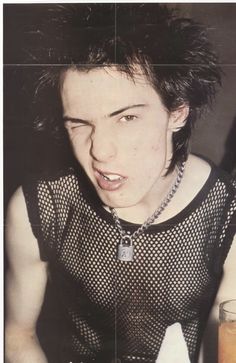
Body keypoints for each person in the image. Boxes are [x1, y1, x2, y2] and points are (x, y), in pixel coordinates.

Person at [5, 4, 236, 363]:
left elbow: (225, 343)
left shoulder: (228, 212)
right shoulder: (37, 208)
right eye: (79, 123)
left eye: (126, 117)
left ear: (177, 112)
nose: (100, 151)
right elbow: (17, 334)